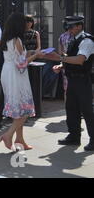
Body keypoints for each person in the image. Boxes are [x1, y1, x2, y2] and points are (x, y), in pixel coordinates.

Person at [44, 16, 94, 151]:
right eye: (68, 27)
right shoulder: (74, 40)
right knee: (71, 109)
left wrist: (60, 58)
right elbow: (69, 59)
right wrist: (61, 66)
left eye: (71, 27)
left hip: (82, 80)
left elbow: (80, 60)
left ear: (79, 26)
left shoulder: (87, 41)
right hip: (72, 79)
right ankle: (74, 136)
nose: (69, 30)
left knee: (87, 110)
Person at [0, 13, 42, 151]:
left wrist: (29, 53)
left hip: (8, 71)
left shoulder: (7, 38)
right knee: (24, 109)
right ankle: (9, 134)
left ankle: (20, 140)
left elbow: (17, 57)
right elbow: (21, 63)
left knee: (18, 107)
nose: (26, 24)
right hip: (16, 74)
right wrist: (36, 55)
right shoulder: (17, 39)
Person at [58, 22, 73, 95]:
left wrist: (64, 56)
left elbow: (60, 52)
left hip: (65, 62)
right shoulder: (76, 36)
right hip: (75, 61)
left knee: (66, 86)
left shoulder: (62, 36)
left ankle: (66, 105)